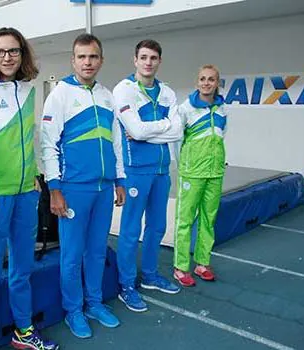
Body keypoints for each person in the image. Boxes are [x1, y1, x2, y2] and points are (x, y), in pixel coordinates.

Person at [0, 27, 58, 350]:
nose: (7, 57)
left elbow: (30, 138)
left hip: (25, 195)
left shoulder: (29, 89)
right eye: (1, 51)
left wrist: (36, 174)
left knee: (23, 271)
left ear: (23, 55)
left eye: (14, 51)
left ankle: (23, 333)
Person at [41, 33, 126, 339]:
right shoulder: (60, 94)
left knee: (96, 252)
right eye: (82, 57)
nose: (88, 62)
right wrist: (55, 188)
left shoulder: (106, 95)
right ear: (73, 60)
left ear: (101, 60)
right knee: (72, 254)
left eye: (93, 57)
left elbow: (116, 142)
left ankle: (93, 303)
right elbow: (48, 144)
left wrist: (119, 180)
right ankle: (73, 310)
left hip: (104, 189)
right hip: (73, 188)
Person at [113, 39, 183, 313]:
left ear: (159, 61)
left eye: (153, 57)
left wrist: (150, 130)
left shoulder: (167, 92)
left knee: (157, 227)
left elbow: (177, 132)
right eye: (143, 57)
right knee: (130, 230)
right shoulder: (124, 90)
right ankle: (127, 285)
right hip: (135, 171)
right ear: (135, 60)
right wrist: (162, 128)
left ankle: (151, 275)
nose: (148, 62)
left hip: (162, 171)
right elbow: (135, 132)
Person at [173, 64, 227, 287]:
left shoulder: (222, 109)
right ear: (197, 82)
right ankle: (180, 266)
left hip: (215, 173)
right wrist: (184, 166)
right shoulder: (186, 109)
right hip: (191, 173)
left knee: (208, 220)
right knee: (185, 220)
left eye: (211, 79)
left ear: (217, 83)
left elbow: (221, 137)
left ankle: (202, 263)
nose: (206, 83)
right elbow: (176, 140)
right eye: (203, 79)